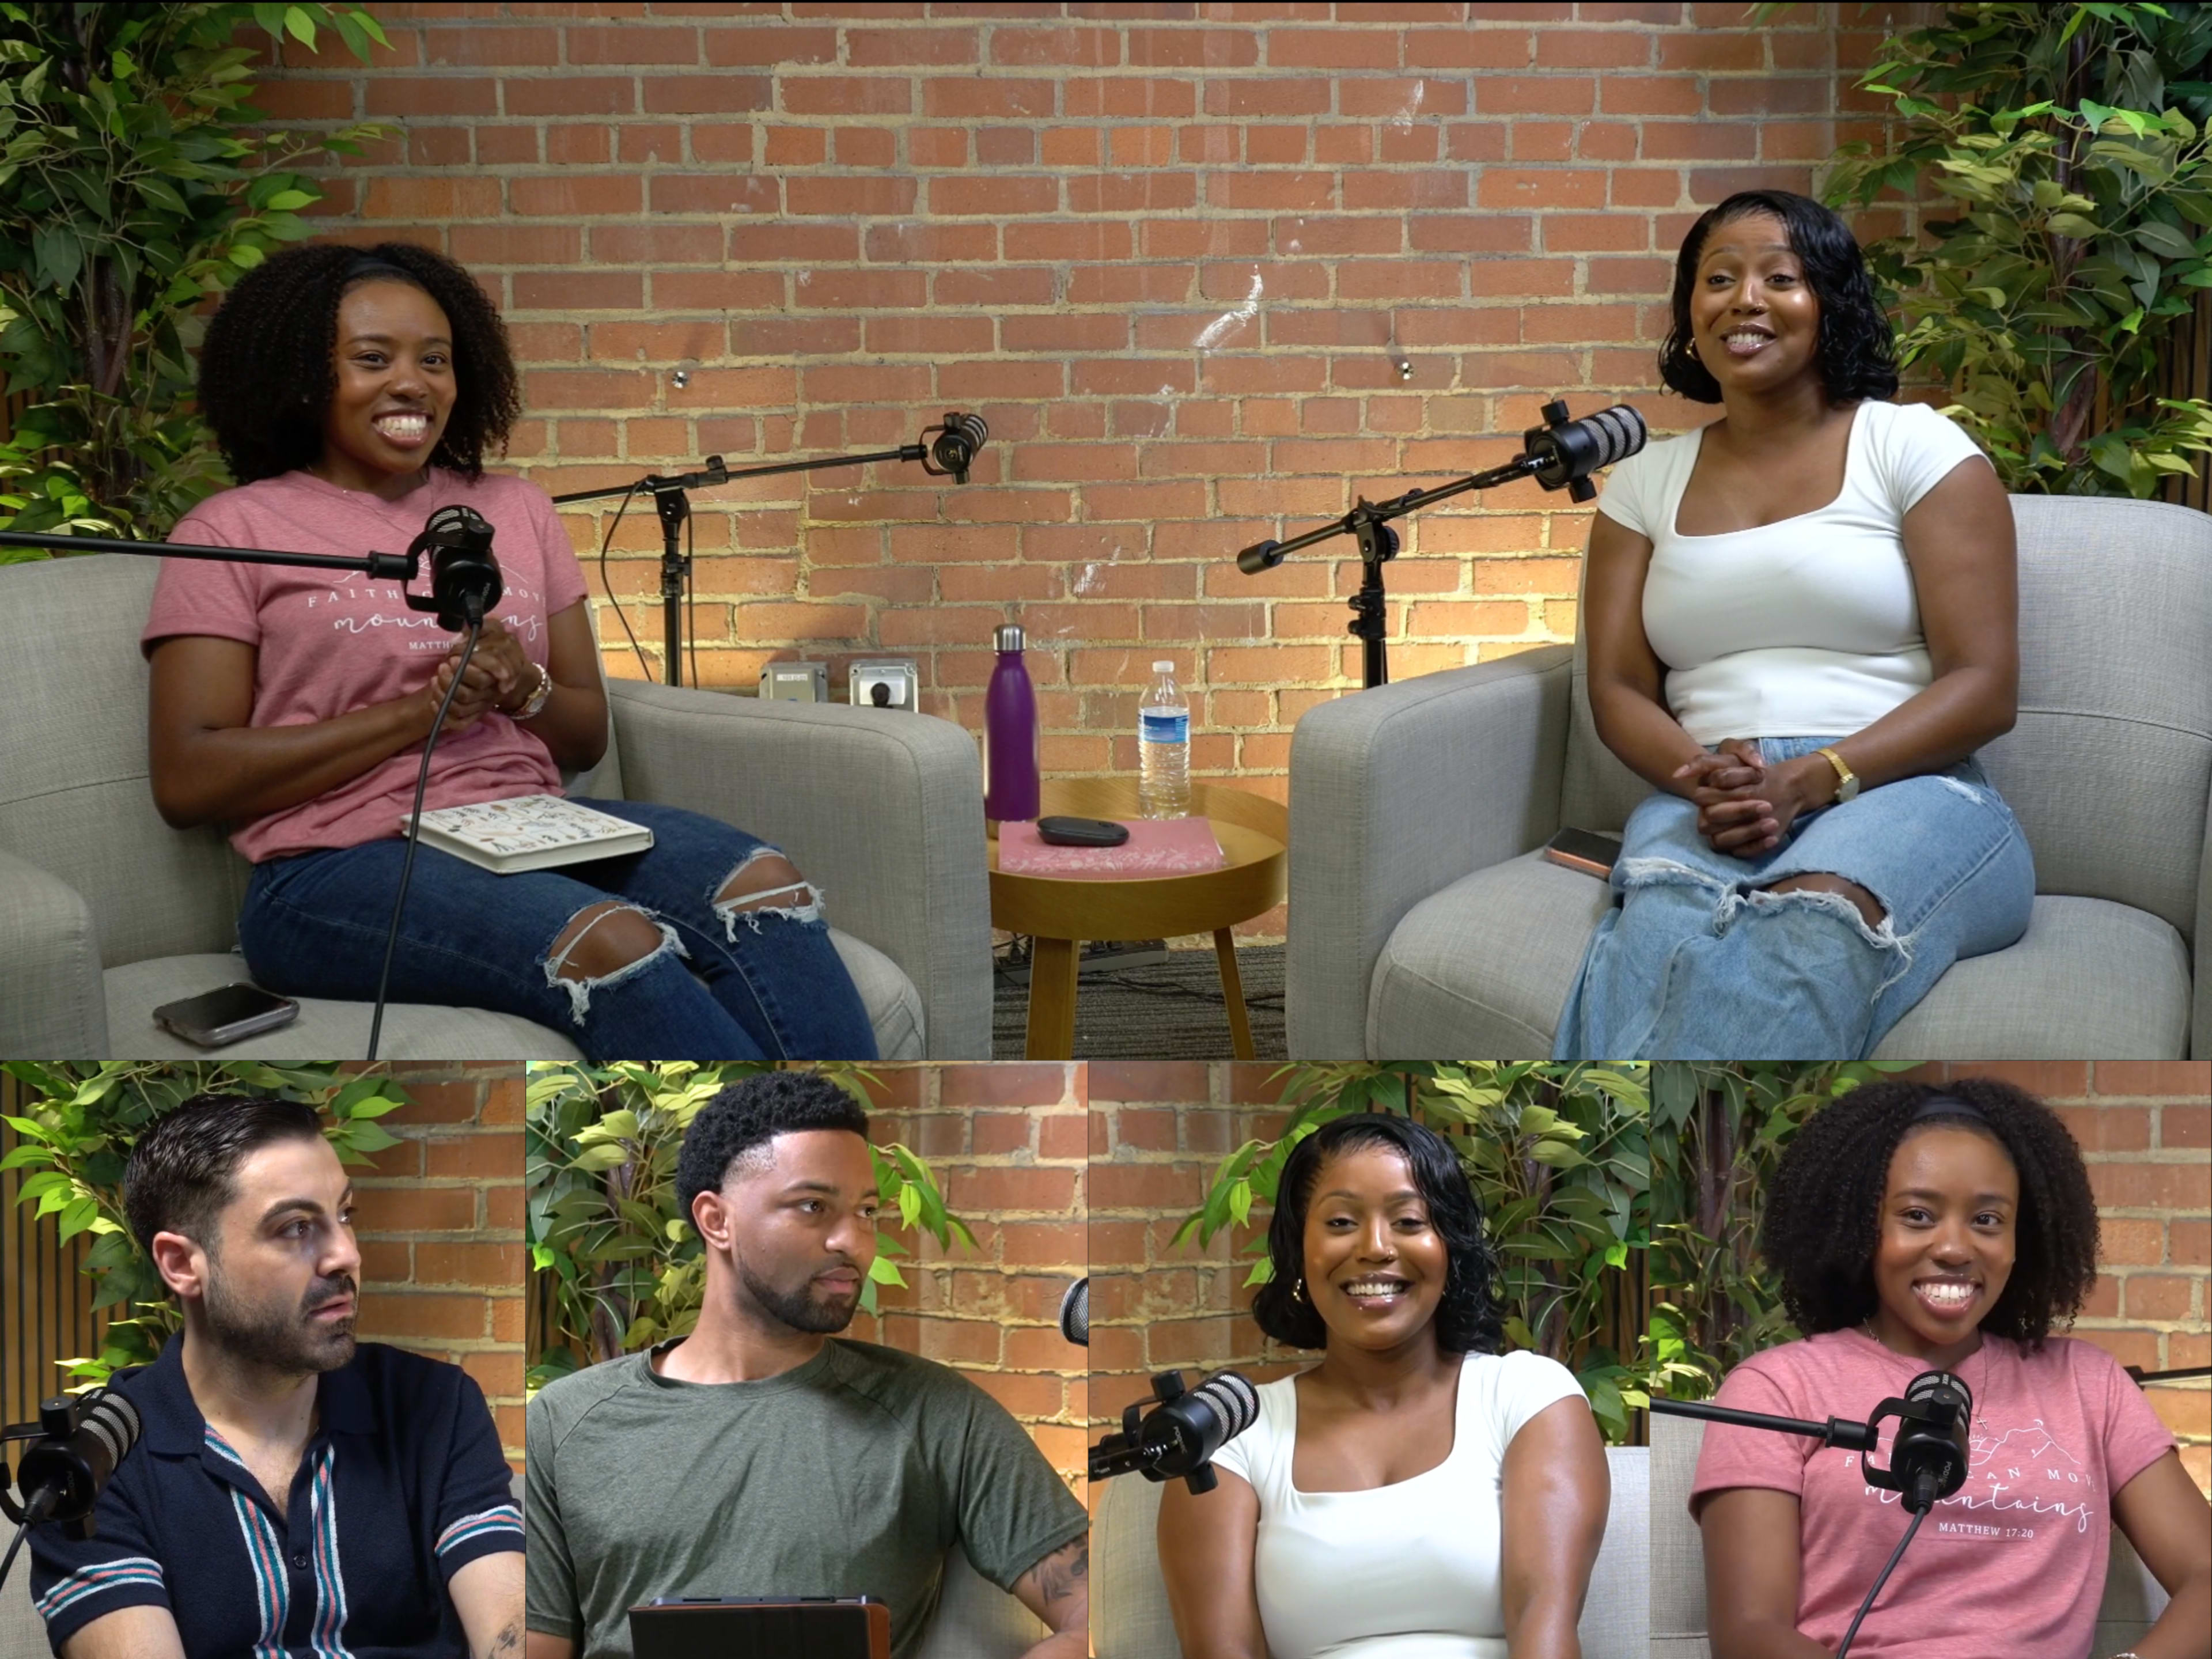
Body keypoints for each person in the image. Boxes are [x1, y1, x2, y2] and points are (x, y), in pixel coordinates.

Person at [145, 240, 876, 1062]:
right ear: (303, 376)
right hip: (333, 870)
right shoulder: (232, 532)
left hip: (530, 830)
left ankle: (828, 1148)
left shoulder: (515, 510)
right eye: (372, 359)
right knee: (605, 941)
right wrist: (412, 717)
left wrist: (521, 687)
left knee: (762, 884)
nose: (412, 383)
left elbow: (584, 738)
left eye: (435, 360)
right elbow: (188, 777)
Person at [1554, 188, 2034, 1059]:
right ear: (1689, 313)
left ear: (1830, 303)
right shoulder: (1643, 486)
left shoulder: (1915, 448)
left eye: (1781, 277)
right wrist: (1699, 775)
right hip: (1712, 791)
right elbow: (1620, 686)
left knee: (1810, 921)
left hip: (1904, 787)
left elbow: (1985, 685)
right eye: (1718, 279)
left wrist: (1819, 775)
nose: (1745, 299)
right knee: (1655, 935)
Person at [523, 1071, 1089, 1659]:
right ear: (717, 1221)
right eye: (813, 1207)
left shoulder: (937, 1415)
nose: (855, 1241)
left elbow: (1090, 1617)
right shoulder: (566, 1422)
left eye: (867, 1211)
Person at [1692, 1077, 2212, 1659]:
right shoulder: (1776, 1389)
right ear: (1861, 1227)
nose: (1957, 1248)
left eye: (1988, 1221)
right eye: (1918, 1215)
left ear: (2023, 1238)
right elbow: (1749, 1635)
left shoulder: (2090, 1385)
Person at [27, 1094, 524, 1658]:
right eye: (295, 1228)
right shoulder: (91, 1465)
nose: (345, 1256)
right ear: (181, 1264)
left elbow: (509, 1629)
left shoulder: (434, 1406)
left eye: (344, 1215)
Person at [1156, 1112, 1610, 1659]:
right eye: (1342, 1222)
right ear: (1301, 1250)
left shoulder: (1527, 1397)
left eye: (1410, 1222)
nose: (1375, 1247)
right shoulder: (1231, 1434)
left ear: (1450, 1249)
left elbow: (1547, 1633)